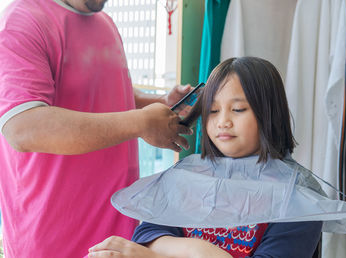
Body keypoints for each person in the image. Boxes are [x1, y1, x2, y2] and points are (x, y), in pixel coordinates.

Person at [0, 0, 193, 257]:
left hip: (116, 234)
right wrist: (141, 122)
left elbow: (104, 88)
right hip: (52, 241)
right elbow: (24, 127)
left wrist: (159, 104)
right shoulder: (23, 20)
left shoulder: (104, 21)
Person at [88, 57, 322, 258]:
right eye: (212, 111)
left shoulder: (298, 193)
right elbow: (148, 236)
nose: (223, 122)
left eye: (238, 109)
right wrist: (198, 250)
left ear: (269, 113)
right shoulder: (189, 176)